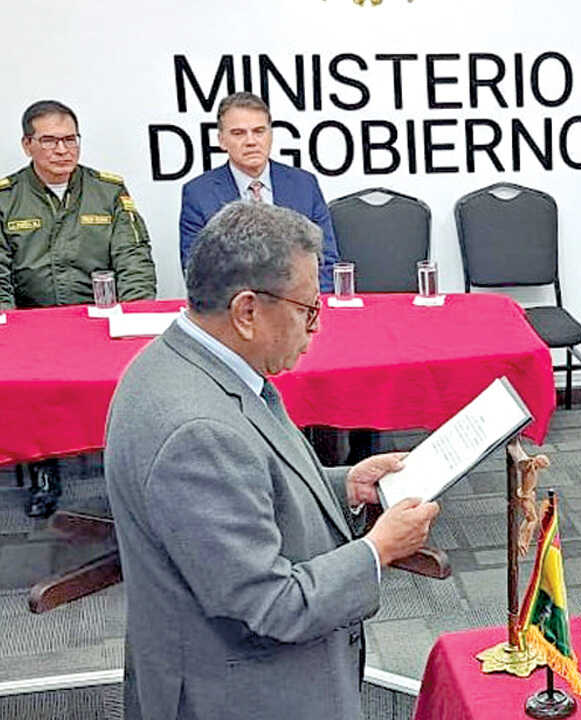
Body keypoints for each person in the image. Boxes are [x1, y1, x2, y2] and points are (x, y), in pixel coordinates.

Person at [104, 200, 440, 719]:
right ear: (246, 312)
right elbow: (271, 605)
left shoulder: (184, 363)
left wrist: (344, 485)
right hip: (242, 697)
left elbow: (245, 492)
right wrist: (378, 550)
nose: (316, 327)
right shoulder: (199, 432)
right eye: (308, 309)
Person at [0, 99, 156, 517]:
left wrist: (132, 322)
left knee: (128, 390)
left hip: (99, 322)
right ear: (28, 145)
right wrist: (9, 331)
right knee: (34, 394)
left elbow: (134, 260)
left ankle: (129, 472)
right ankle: (43, 470)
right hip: (33, 323)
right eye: (49, 141)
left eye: (70, 139)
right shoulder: (7, 198)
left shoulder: (108, 191)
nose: (62, 150)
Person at [179, 92, 340, 291]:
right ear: (222, 140)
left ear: (270, 135)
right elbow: (197, 273)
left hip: (297, 304)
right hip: (235, 306)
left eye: (259, 131)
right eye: (238, 133)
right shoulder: (198, 194)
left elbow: (327, 262)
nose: (251, 141)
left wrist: (297, 303)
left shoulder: (304, 185)